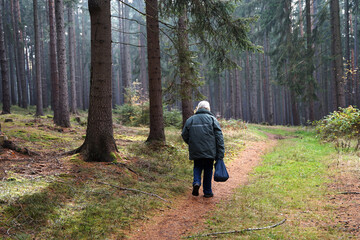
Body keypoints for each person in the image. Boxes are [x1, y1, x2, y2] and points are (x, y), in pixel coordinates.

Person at [181, 101, 225, 198]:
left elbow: (184, 134)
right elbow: (219, 137)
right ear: (208, 108)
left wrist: (192, 143)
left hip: (196, 150)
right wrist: (220, 153)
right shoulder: (212, 119)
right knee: (208, 169)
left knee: (197, 166)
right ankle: (207, 192)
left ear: (198, 108)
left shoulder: (191, 120)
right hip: (210, 151)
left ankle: (196, 182)